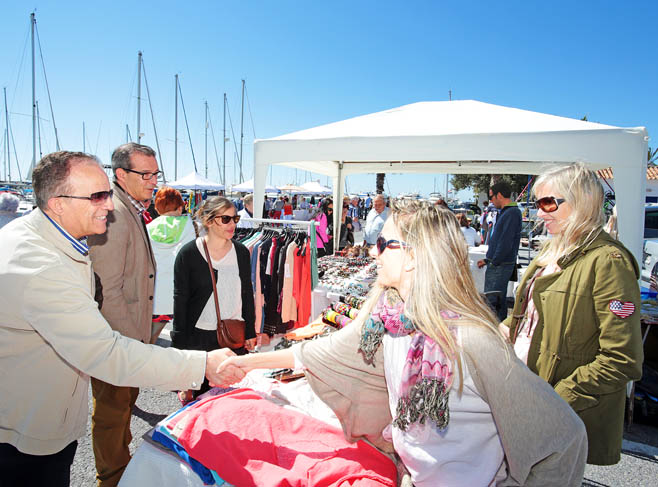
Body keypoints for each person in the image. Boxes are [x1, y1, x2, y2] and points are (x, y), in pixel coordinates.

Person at [219, 200, 587, 486]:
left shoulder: (473, 341)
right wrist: (244, 363)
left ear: (412, 255)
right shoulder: (391, 320)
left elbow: (564, 438)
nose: (374, 252)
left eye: (383, 243)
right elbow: (321, 352)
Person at [0, 151, 241, 487]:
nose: (110, 205)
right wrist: (201, 365)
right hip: (26, 434)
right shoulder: (40, 264)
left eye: (108, 194)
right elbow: (105, 352)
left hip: (37, 422)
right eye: (98, 196)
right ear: (58, 204)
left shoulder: (51, 238)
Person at [502, 163, 643, 466]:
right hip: (526, 395)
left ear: (581, 201)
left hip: (559, 412)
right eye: (536, 203)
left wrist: (557, 399)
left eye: (548, 203)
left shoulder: (609, 262)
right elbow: (526, 318)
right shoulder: (550, 252)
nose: (540, 213)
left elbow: (622, 359)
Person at [87, 142, 161, 486]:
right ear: (121, 174)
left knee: (120, 412)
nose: (153, 181)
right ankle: (112, 478)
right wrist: (132, 344)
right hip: (117, 338)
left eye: (156, 174)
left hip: (127, 335)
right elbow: (107, 289)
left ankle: (119, 468)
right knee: (112, 414)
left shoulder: (128, 207)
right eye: (146, 174)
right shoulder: (113, 212)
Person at [172, 196, 257, 400]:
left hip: (233, 335)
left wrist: (250, 330)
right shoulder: (189, 253)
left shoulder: (241, 252)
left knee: (234, 397)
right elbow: (180, 300)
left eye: (235, 219)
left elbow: (246, 292)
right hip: (199, 337)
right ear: (209, 221)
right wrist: (180, 348)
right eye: (225, 219)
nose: (232, 224)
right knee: (203, 400)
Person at [147, 186, 196, 340]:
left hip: (154, 289)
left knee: (150, 334)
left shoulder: (148, 227)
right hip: (179, 288)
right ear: (180, 206)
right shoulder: (189, 225)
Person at [477, 181, 521, 321]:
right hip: (499, 263)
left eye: (491, 197)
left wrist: (494, 261)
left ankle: (495, 329)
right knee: (497, 300)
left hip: (500, 265)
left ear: (500, 195)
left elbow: (505, 242)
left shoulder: (512, 213)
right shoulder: (508, 212)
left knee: (493, 300)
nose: (490, 201)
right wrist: (488, 260)